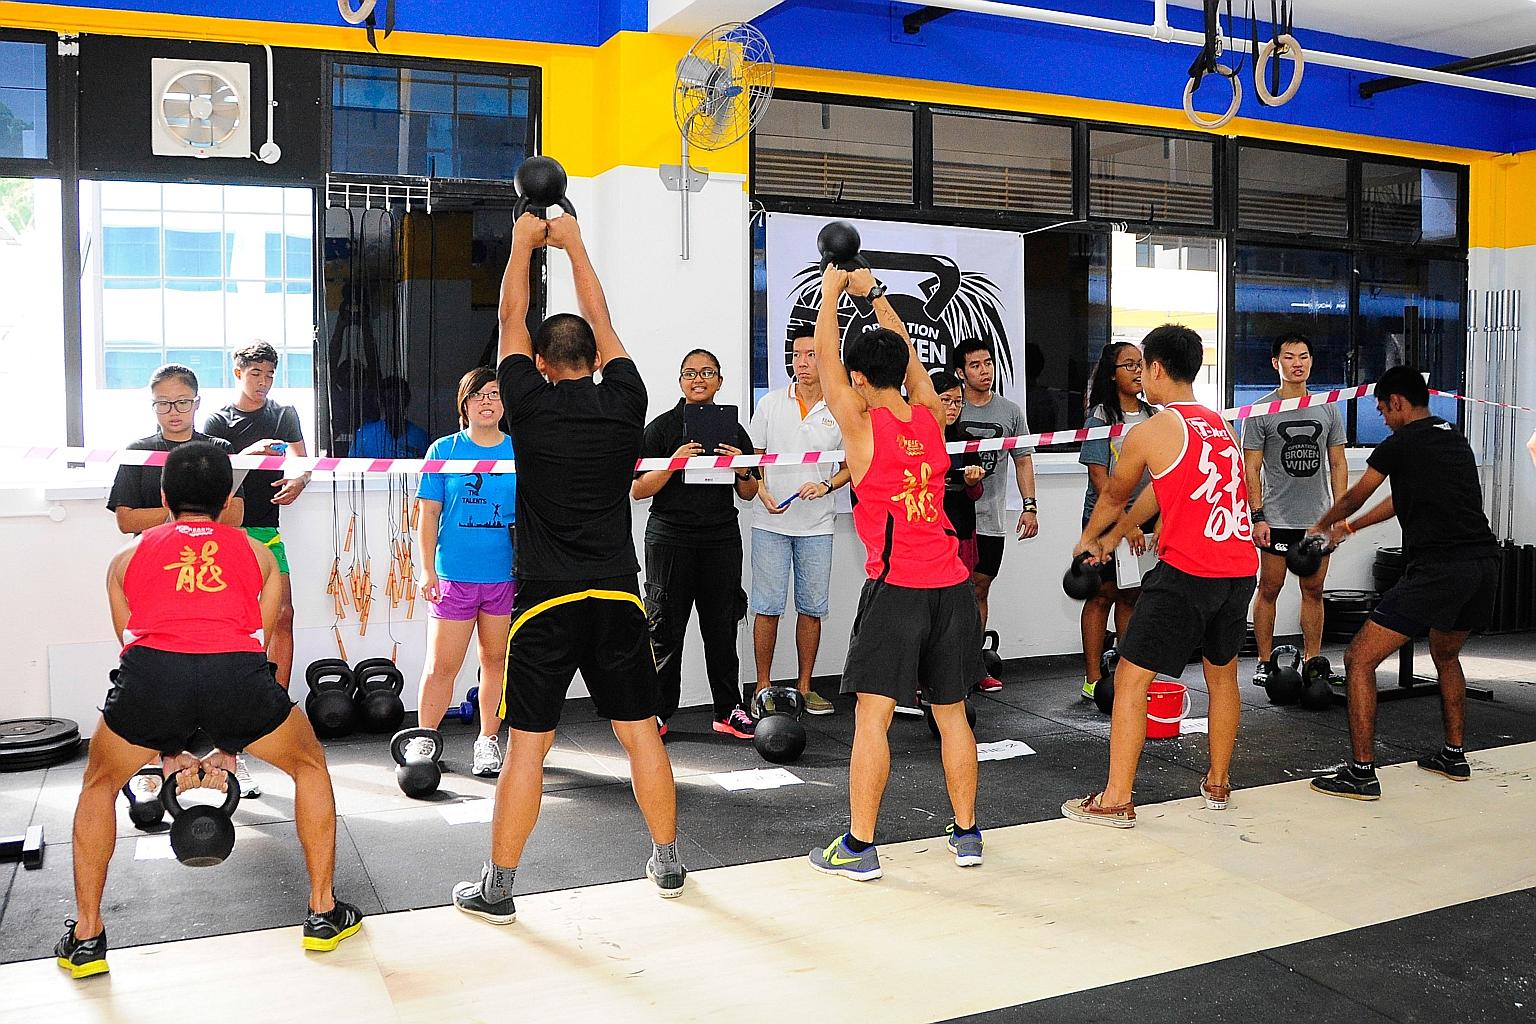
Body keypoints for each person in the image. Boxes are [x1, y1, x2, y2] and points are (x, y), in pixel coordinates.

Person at [452, 209, 684, 925]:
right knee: (639, 728)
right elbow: (601, 316)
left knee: (528, 748)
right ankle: (668, 859)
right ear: (596, 360)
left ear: (542, 366)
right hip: (616, 597)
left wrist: (523, 244)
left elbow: (511, 314)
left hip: (548, 604)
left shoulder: (529, 403)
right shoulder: (628, 399)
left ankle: (498, 887)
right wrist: (577, 245)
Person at [56, 442, 361, 979]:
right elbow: (257, 648)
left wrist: (167, 748)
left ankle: (85, 939)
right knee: (309, 766)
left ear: (165, 495)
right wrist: (229, 747)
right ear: (227, 498)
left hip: (154, 679)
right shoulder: (260, 555)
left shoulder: (124, 559)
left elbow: (132, 648)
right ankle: (322, 913)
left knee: (99, 785)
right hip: (234, 678)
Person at [807, 264, 984, 881]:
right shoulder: (930, 417)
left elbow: (826, 360)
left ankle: (858, 848)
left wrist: (832, 294)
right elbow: (907, 360)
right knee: (952, 713)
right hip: (953, 587)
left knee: (873, 719)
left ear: (859, 380)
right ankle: (967, 837)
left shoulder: (860, 427)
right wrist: (876, 296)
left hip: (899, 592)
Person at [1062, 324, 1257, 828]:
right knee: (1222, 675)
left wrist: (1087, 539)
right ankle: (1217, 784)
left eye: (1140, 366)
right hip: (1238, 570)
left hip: (1189, 570)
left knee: (1130, 676)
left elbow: (1112, 493)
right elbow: (1163, 489)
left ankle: (1115, 800)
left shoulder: (1151, 429)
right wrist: (1117, 534)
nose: (1138, 377)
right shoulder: (1218, 425)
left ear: (1156, 368)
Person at [1308, 367, 1499, 800]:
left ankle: (1361, 772)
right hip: (1482, 564)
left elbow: (1358, 492)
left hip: (1439, 569)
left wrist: (1321, 526)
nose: (1382, 416)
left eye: (1382, 408)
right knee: (1446, 653)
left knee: (1359, 659)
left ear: (1397, 402)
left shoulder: (1401, 444)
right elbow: (1401, 499)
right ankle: (1454, 754)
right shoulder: (1453, 438)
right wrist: (1350, 529)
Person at [105, 364, 256, 798]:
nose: (173, 412)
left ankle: (232, 758)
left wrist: (181, 516)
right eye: (163, 404)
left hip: (211, 578)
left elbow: (235, 513)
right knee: (150, 670)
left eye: (182, 402)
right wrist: (184, 515)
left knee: (228, 671)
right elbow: (126, 519)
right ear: (153, 406)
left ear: (197, 402)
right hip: (156, 580)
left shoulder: (218, 449)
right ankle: (155, 765)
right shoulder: (138, 452)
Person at [202, 342, 311, 800]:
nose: (264, 382)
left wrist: (299, 480)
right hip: (231, 532)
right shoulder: (215, 423)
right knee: (236, 628)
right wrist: (249, 453)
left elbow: (303, 461)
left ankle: (275, 708)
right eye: (256, 374)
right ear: (237, 371)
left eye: (269, 374)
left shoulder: (285, 413)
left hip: (267, 528)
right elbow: (215, 488)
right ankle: (231, 744)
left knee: (283, 616)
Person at [633, 349, 759, 738]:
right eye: (690, 373)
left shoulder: (733, 429)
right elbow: (637, 491)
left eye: (707, 372)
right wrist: (673, 463)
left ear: (719, 380)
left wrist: (741, 468)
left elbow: (750, 492)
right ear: (680, 380)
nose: (698, 379)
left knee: (721, 627)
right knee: (664, 628)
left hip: (721, 537)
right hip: (670, 538)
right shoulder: (660, 428)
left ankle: (728, 709)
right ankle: (658, 710)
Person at [412, 367, 516, 778]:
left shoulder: (518, 452)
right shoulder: (443, 450)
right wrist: (426, 571)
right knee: (441, 666)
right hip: (453, 576)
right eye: (479, 395)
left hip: (504, 578)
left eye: (494, 394)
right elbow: (428, 515)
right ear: (465, 403)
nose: (487, 401)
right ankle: (424, 738)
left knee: (494, 661)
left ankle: (487, 739)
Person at [747, 328, 850, 716]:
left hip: (818, 525)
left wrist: (826, 486)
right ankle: (763, 688)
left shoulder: (840, 409)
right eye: (797, 354)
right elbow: (750, 460)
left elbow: (850, 466)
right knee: (767, 606)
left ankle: (805, 688)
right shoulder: (771, 403)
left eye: (811, 354)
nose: (802, 362)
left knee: (811, 607)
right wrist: (761, 490)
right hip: (770, 522)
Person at [1243, 334, 1347, 686]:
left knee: (1313, 590)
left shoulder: (1328, 407)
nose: (1297, 363)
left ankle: (1313, 657)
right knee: (1269, 587)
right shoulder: (1260, 411)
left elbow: (1338, 462)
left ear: (1311, 362)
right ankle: (1262, 660)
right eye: (1289, 357)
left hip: (1317, 521)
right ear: (1276, 363)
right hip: (1276, 518)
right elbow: (1250, 468)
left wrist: (1339, 515)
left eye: (1304, 356)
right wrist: (1257, 516)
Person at [951, 336, 1038, 691]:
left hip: (990, 519)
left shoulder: (1010, 412)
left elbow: (1023, 459)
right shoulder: (951, 410)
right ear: (960, 372)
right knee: (945, 594)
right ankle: (938, 670)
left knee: (979, 590)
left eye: (988, 363)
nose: (985, 371)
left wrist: (1030, 505)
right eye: (975, 365)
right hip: (951, 519)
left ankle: (973, 665)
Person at [1078, 342, 1157, 702]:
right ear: (1112, 373)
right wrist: (1127, 523)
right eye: (1129, 365)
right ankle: (1093, 678)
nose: (1138, 371)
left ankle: (1127, 673)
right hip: (1108, 521)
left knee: (1132, 595)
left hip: (1147, 520)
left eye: (1141, 364)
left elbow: (1161, 474)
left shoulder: (1154, 416)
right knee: (1101, 596)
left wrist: (1146, 520)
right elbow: (1100, 479)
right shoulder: (1100, 416)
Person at [932, 370, 984, 577]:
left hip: (961, 528)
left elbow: (977, 492)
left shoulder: (966, 439)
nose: (952, 408)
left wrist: (972, 482)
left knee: (961, 594)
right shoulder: (915, 439)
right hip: (926, 532)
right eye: (945, 400)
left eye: (958, 402)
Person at [351, 376, 429, 459]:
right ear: (381, 402)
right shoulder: (364, 436)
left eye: (398, 401)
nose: (393, 406)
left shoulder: (420, 437)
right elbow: (351, 469)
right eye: (389, 400)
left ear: (406, 402)